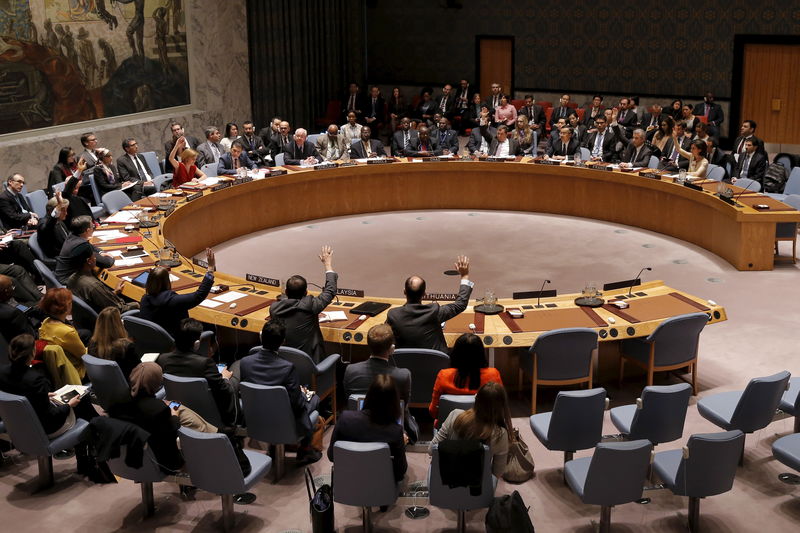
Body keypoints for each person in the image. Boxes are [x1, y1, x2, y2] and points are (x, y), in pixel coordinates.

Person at [231, 319, 321, 463]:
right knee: (314, 399)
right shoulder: (287, 367)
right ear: (283, 342)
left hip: (256, 416)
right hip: (284, 419)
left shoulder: (245, 362)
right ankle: (304, 449)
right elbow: (296, 405)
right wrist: (303, 394)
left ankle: (274, 447)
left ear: (261, 337)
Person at [342, 323, 418, 442]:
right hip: (390, 427)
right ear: (392, 349)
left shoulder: (350, 370)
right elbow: (404, 405)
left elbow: (349, 399)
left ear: (368, 345)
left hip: (358, 425)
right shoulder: (403, 375)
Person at [157, 318, 238, 427]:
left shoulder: (162, 359)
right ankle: (236, 422)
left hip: (182, 409)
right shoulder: (205, 363)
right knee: (236, 368)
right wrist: (224, 378)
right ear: (196, 344)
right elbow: (223, 390)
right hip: (210, 411)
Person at [328, 374, 407, 482]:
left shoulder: (344, 419)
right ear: (394, 402)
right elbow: (400, 472)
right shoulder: (395, 432)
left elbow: (331, 456)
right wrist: (402, 444)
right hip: (381, 491)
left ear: (369, 395)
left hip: (347, 488)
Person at [386, 255, 473, 353]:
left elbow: (382, 335)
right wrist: (464, 276)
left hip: (404, 365)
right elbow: (460, 304)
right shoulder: (433, 312)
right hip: (437, 365)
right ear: (424, 294)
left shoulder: (393, 315)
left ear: (404, 292)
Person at [430, 381, 511, 477]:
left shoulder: (455, 415)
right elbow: (497, 473)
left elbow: (431, 449)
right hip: (479, 489)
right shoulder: (500, 434)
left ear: (476, 399)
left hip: (443, 484)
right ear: (502, 407)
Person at [269, 246, 336, 362]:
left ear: (285, 293)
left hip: (284, 361)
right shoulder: (311, 306)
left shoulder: (274, 309)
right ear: (306, 292)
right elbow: (330, 290)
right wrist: (328, 264)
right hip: (311, 363)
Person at [429, 333, 503, 424]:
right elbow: (500, 409)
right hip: (485, 431)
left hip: (451, 431)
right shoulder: (493, 375)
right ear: (481, 353)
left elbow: (434, 412)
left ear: (455, 353)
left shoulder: (443, 375)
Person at [140, 248, 215, 336]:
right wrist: (210, 269)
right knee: (211, 326)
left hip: (154, 341)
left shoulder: (144, 299)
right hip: (177, 342)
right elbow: (198, 295)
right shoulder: (173, 301)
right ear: (167, 281)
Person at [66, 240, 139, 314]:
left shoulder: (71, 278)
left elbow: (98, 299)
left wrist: (114, 292)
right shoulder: (94, 286)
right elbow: (118, 309)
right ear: (89, 261)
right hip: (107, 319)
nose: (96, 258)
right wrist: (137, 305)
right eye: (94, 256)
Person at [38, 288, 87, 380]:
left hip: (60, 364)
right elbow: (84, 355)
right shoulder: (67, 332)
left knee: (86, 334)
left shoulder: (46, 322)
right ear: (67, 306)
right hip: (77, 371)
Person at [55, 215, 115, 283]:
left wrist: (101, 252)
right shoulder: (82, 246)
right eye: (93, 226)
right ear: (88, 230)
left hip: (61, 275)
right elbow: (107, 263)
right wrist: (111, 256)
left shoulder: (72, 236)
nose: (94, 228)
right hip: (68, 281)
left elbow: (90, 246)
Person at [88, 308, 140, 379]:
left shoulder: (92, 344)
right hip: (128, 385)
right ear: (118, 324)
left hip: (103, 385)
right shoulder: (126, 347)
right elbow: (138, 371)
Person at [0, 274, 36, 341]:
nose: (13, 288)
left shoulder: (4, 298)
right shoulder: (13, 313)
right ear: (6, 291)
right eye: (11, 287)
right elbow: (31, 335)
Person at [37, 192, 71, 259]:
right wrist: (59, 206)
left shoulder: (60, 221)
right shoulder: (43, 224)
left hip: (69, 251)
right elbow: (49, 225)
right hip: (61, 259)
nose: (66, 213)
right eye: (63, 211)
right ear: (51, 211)